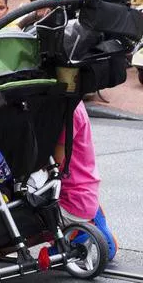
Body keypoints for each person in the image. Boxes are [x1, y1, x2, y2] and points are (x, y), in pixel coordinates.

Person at [53, 101, 117, 260]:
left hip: (70, 199)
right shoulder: (76, 104)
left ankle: (75, 236)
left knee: (32, 209)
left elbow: (55, 162)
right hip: (85, 189)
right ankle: (92, 221)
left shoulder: (69, 113)